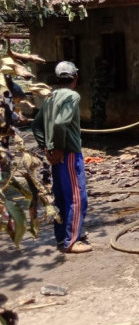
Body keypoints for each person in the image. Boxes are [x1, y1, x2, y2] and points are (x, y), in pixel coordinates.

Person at [31, 61, 92, 253]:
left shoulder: (50, 97)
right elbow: (59, 124)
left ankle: (63, 237)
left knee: (61, 198)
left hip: (56, 156)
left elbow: (36, 125)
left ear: (57, 79)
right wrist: (58, 149)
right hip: (69, 154)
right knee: (77, 197)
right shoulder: (72, 96)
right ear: (75, 77)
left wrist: (46, 148)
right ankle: (71, 241)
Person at [90, 57, 110, 129]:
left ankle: (96, 130)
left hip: (96, 97)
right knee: (98, 114)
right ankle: (96, 132)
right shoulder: (100, 72)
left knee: (97, 114)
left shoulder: (95, 72)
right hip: (98, 97)